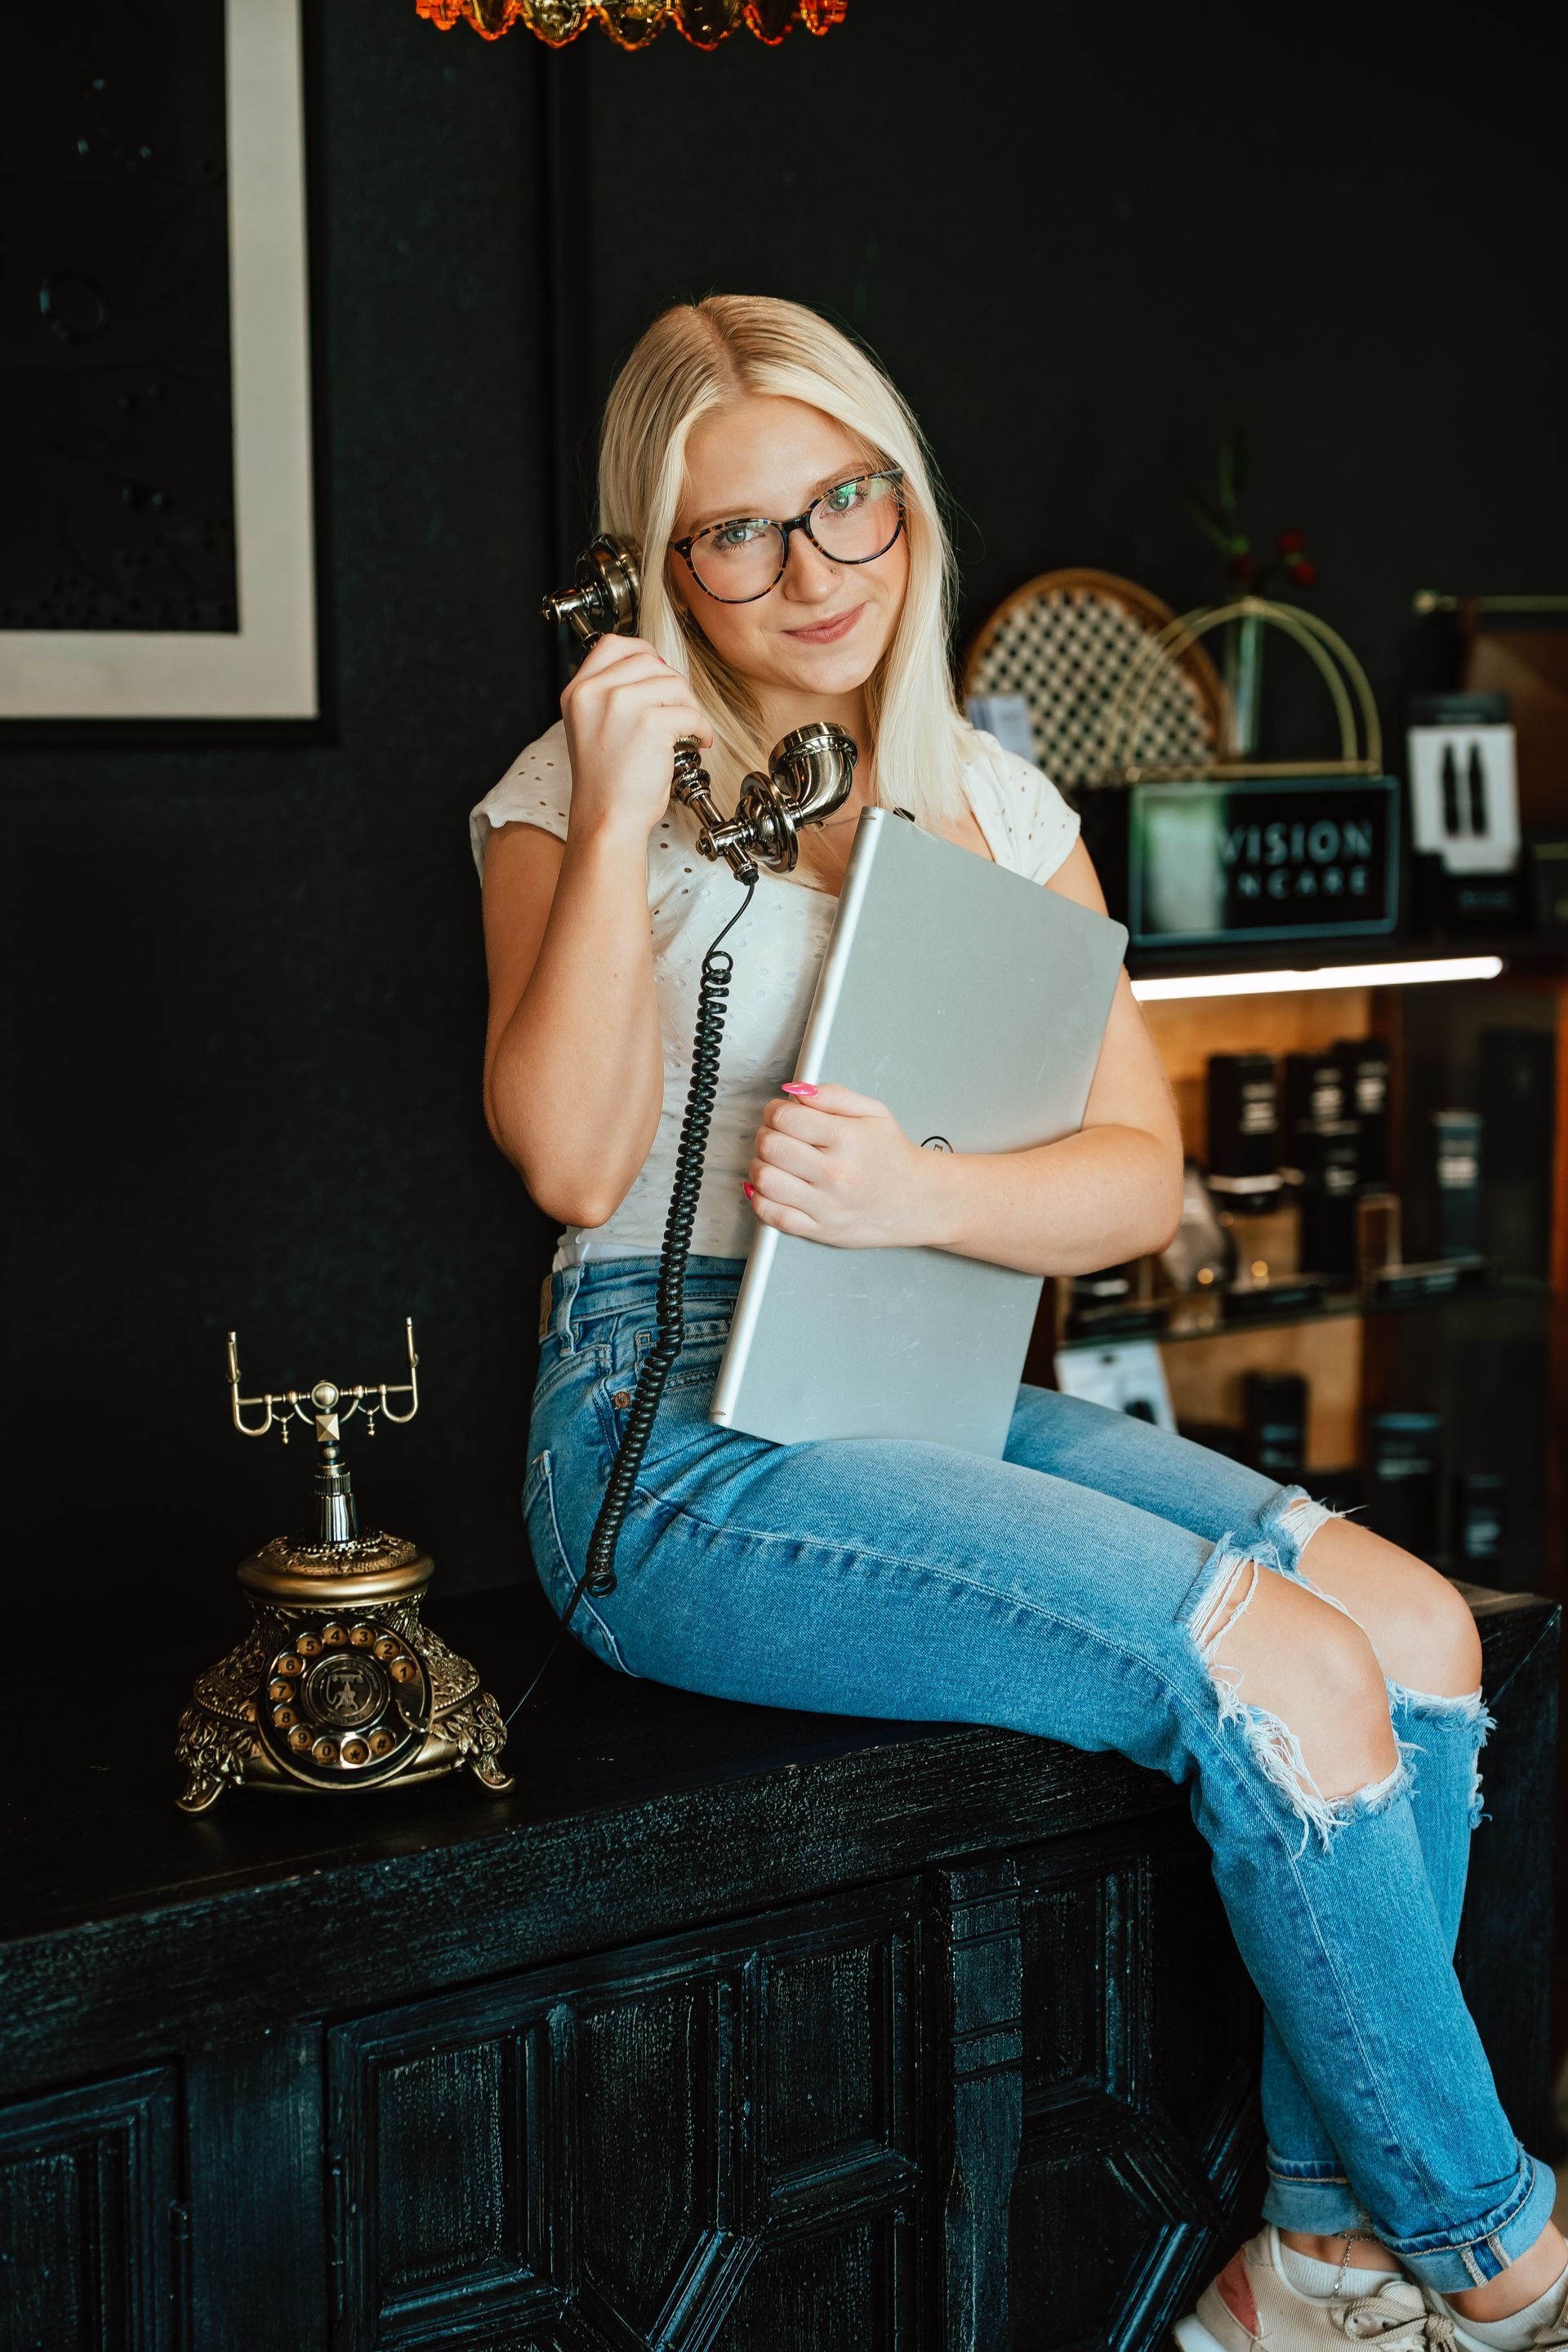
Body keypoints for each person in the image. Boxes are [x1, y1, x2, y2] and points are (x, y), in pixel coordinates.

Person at [470, 293, 1562, 2349]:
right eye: (738, 537)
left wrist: (922, 1197)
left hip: (919, 1350)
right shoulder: (578, 785)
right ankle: (1501, 2263)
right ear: (653, 568)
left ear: (904, 500)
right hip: (667, 1435)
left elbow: (1138, 1174)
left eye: (846, 506)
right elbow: (559, 1152)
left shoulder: (993, 797)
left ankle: (1320, 2266)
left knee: (1414, 1633)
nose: (811, 577)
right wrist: (621, 808)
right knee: (1267, 1668)